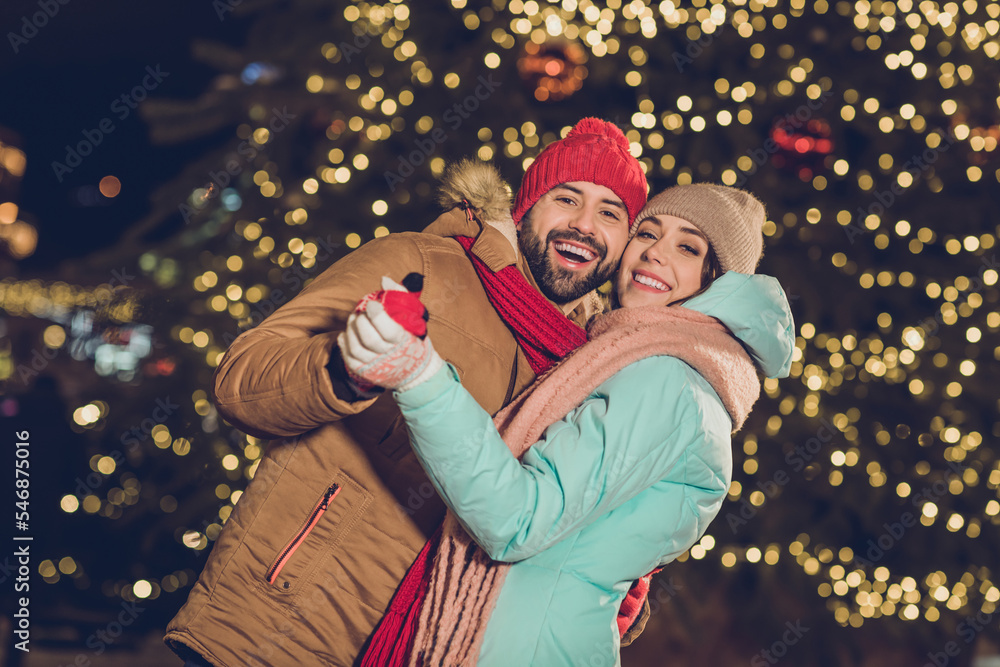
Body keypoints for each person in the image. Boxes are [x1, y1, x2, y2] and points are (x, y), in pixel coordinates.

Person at [164, 118, 649, 666]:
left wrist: (604, 575)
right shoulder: (421, 263)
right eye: (568, 198)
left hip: (431, 650)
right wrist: (346, 370)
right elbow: (240, 379)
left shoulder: (594, 366)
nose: (585, 225)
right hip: (282, 625)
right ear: (526, 208)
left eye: (610, 213)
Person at [341, 184, 796, 666]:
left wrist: (420, 375)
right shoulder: (649, 365)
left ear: (717, 281)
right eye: (647, 232)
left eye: (687, 247)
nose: (655, 253)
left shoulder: (668, 380)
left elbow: (516, 520)